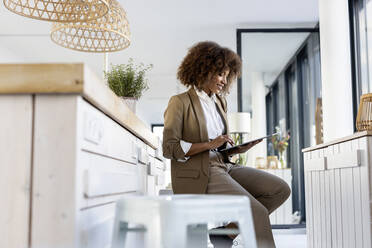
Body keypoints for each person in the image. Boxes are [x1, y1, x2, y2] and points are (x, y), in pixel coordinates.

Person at [162, 41, 291, 248]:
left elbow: (218, 144)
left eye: (227, 75)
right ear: (202, 70)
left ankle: (225, 234)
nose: (224, 80)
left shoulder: (219, 102)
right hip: (199, 169)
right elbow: (170, 148)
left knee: (280, 189)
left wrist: (235, 149)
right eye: (220, 74)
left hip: (224, 164)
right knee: (255, 210)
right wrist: (209, 144)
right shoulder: (180, 102)